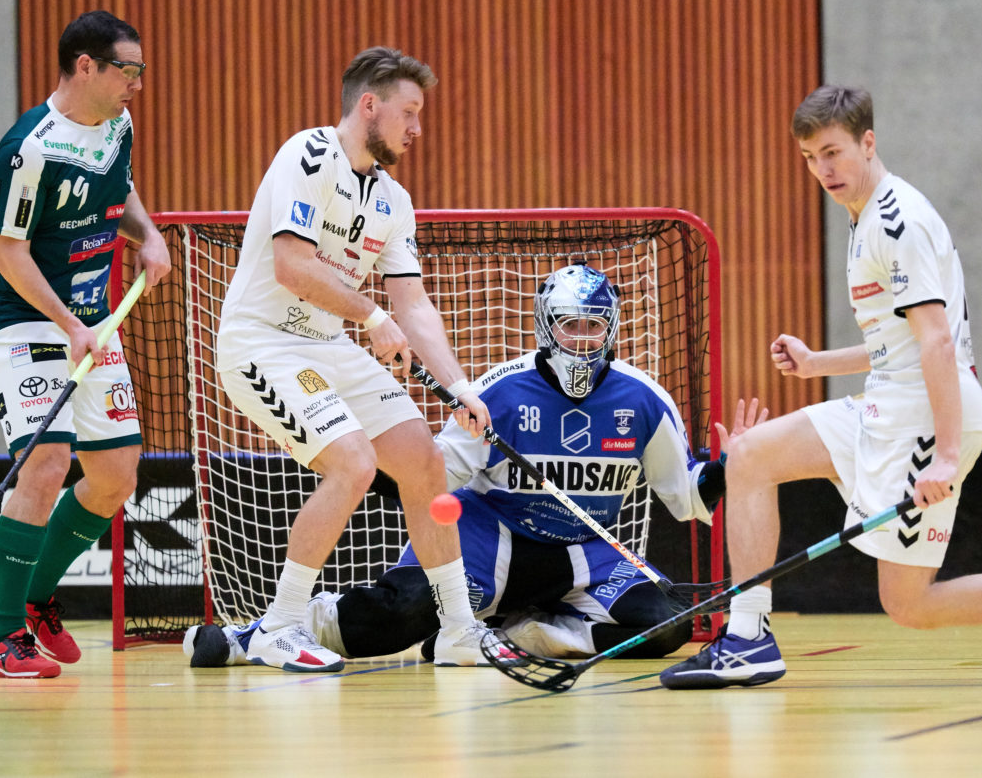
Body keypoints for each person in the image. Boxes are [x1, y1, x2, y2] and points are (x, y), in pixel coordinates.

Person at [660, 85, 982, 690]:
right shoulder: (863, 217)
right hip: (886, 401)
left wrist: (945, 454)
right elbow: (900, 341)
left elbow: (936, 343)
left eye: (833, 152)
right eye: (810, 157)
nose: (823, 169)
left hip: (924, 418)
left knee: (909, 603)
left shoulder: (897, 221)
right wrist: (816, 364)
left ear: (868, 142)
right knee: (751, 455)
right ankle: (748, 638)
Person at [184, 264, 740, 667]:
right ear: (546, 327)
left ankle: (525, 637)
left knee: (667, 625)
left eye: (593, 325)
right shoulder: (502, 390)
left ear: (611, 328)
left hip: (584, 553)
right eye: (568, 325)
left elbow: (686, 493)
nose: (581, 338)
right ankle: (269, 630)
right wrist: (360, 466)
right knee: (403, 614)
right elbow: (436, 474)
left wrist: (728, 469)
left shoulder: (642, 399)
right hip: (486, 541)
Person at [211, 46, 495, 672]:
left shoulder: (393, 200)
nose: (417, 129)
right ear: (370, 105)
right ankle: (279, 627)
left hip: (326, 344)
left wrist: (459, 386)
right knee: (354, 462)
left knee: (423, 459)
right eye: (409, 113)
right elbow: (292, 266)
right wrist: (371, 318)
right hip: (262, 342)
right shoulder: (307, 155)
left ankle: (458, 630)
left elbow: (412, 304)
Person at [0, 10, 171, 678]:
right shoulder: (28, 149)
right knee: (47, 463)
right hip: (28, 321)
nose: (137, 83)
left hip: (93, 321)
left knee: (116, 475)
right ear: (85, 66)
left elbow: (122, 193)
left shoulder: (118, 125)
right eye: (129, 70)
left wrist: (149, 236)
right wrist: (67, 323)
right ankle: (4, 638)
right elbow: (10, 255)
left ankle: (35, 599)